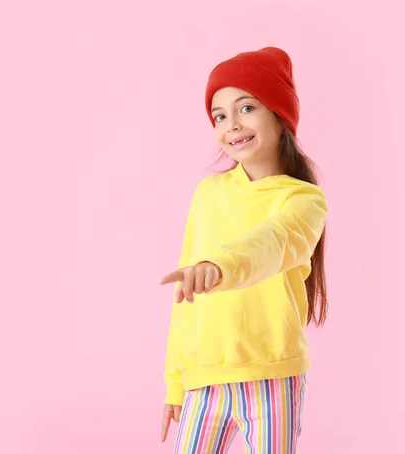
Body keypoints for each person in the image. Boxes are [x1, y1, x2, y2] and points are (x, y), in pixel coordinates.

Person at [158, 47, 329, 454]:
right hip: (206, 380)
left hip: (273, 379)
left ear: (279, 114)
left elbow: (272, 242)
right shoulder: (209, 193)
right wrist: (175, 382)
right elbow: (185, 298)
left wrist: (219, 266)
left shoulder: (304, 200)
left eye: (246, 108)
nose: (230, 125)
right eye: (219, 115)